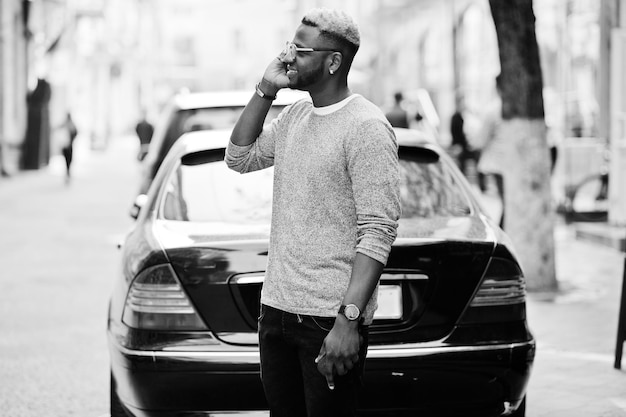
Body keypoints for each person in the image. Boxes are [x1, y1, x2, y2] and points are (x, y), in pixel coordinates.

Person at [225, 8, 401, 416]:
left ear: (333, 62)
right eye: (289, 47)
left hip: (327, 322)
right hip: (277, 313)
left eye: (299, 50)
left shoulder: (367, 127)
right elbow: (239, 158)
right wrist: (265, 89)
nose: (287, 57)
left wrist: (348, 322)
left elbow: (378, 232)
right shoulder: (295, 116)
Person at [476, 75, 506, 229]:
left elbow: (481, 140)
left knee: (507, 202)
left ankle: (501, 233)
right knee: (508, 202)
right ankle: (502, 231)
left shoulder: (493, 109)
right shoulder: (514, 108)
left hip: (499, 163)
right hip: (511, 163)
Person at [60, 113, 78, 183]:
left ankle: (68, 172)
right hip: (66, 145)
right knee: (68, 160)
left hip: (68, 145)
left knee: (68, 160)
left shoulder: (70, 125)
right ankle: (67, 172)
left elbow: (75, 133)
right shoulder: (67, 124)